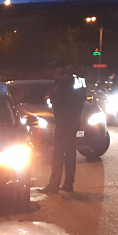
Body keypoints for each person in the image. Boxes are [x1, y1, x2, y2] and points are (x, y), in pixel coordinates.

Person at [38, 66, 86, 194]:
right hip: (73, 123)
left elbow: (56, 100)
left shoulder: (62, 85)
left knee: (58, 155)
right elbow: (81, 100)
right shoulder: (79, 84)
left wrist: (55, 91)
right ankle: (68, 184)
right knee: (70, 154)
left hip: (63, 123)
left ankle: (54, 185)